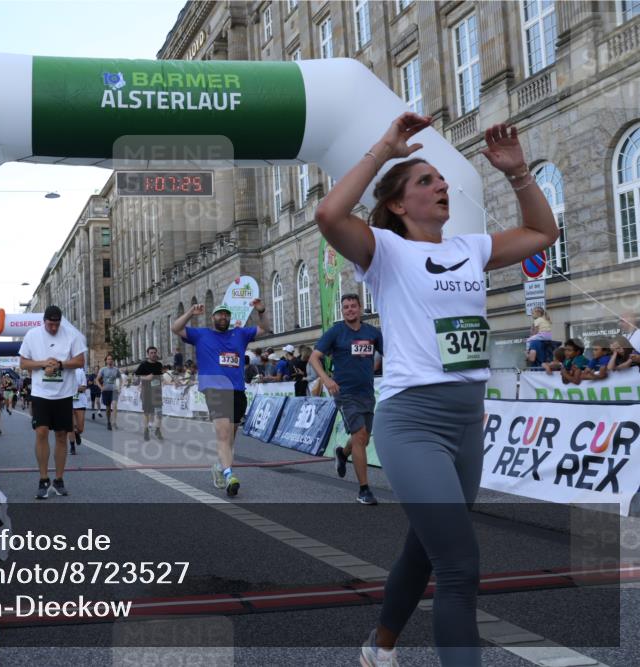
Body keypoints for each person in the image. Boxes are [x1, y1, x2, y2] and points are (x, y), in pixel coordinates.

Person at [314, 111, 558, 666]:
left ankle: (379, 647)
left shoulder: (471, 248)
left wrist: (518, 173)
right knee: (459, 566)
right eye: (426, 181)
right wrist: (386, 148)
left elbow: (543, 233)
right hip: (413, 423)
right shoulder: (384, 251)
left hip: (467, 423)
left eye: (442, 179)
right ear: (399, 205)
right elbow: (328, 214)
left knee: (426, 549)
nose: (442, 185)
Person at [171, 300, 271, 497]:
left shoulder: (240, 334)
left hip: (237, 390)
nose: (223, 317)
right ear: (213, 318)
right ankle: (229, 475)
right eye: (219, 314)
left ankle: (219, 466)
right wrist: (190, 312)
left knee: (230, 438)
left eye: (226, 314)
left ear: (229, 318)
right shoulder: (201, 334)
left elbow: (264, 329)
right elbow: (176, 328)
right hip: (215, 389)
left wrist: (261, 311)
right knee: (224, 435)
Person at [309, 294, 384, 505]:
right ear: (342, 311)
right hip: (344, 393)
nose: (349, 309)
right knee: (359, 435)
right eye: (345, 307)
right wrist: (326, 379)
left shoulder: (372, 333)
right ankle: (364, 490)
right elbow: (314, 357)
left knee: (364, 439)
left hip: (367, 393)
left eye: (353, 306)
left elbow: (392, 354)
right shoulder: (336, 332)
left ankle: (342, 453)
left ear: (360, 308)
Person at [18, 305, 86, 499]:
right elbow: (23, 363)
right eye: (50, 324)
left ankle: (59, 479)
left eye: (57, 324)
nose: (54, 328)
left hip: (64, 393)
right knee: (41, 432)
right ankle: (43, 479)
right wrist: (43, 363)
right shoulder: (32, 335)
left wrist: (60, 364)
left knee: (61, 435)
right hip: (41, 393)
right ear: (44, 321)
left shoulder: (71, 335)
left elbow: (80, 361)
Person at [135, 346, 165, 441]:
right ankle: (146, 430)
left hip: (157, 392)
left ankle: (157, 430)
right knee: (147, 413)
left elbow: (161, 377)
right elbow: (136, 376)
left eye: (155, 352)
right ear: (148, 354)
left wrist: (168, 381)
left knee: (159, 412)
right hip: (147, 391)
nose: (153, 354)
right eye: (151, 353)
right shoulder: (143, 364)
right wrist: (146, 377)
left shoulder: (159, 364)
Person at [96, 354, 121, 430]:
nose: (110, 360)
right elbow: (97, 380)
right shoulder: (103, 369)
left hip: (114, 390)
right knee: (108, 408)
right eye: (108, 359)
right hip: (106, 391)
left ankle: (114, 422)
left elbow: (119, 379)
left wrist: (119, 387)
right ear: (106, 361)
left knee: (115, 406)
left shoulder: (116, 369)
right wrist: (101, 387)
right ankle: (108, 422)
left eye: (111, 359)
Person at [72, 367, 89, 454]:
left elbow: (84, 387)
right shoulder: (65, 370)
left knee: (80, 428)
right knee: (70, 426)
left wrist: (73, 389)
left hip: (80, 400)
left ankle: (77, 433)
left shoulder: (80, 372)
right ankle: (72, 446)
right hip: (67, 401)